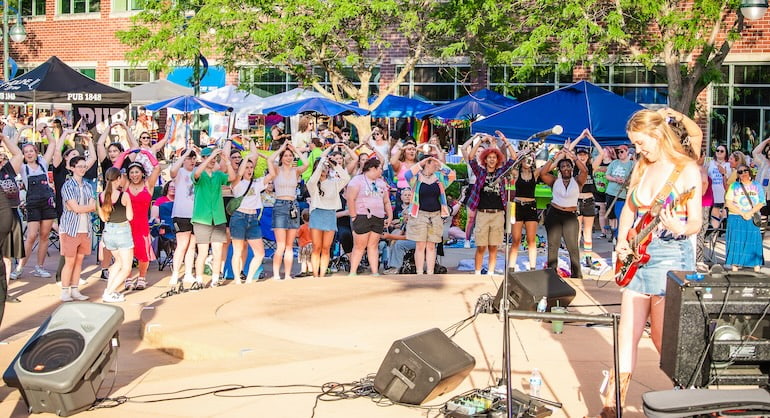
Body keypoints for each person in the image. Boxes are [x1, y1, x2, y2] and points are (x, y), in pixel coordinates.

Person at [593, 109, 702, 417]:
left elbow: (695, 221)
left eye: (641, 143)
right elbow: (629, 209)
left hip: (670, 254)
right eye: (634, 144)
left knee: (662, 336)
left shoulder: (685, 169)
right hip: (638, 255)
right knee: (627, 330)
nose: (638, 150)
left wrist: (680, 227)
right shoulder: (642, 165)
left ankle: (691, 393)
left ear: (657, 135)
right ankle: (612, 403)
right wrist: (621, 244)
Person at [466, 134, 515, 275]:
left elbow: (513, 158)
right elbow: (470, 157)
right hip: (482, 213)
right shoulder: (480, 172)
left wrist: (505, 141)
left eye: (494, 157)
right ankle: (477, 272)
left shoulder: (502, 172)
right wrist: (481, 140)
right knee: (481, 246)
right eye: (489, 157)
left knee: (493, 246)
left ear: (497, 159)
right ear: (485, 159)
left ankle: (491, 273)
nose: (492, 159)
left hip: (498, 214)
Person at [229, 144, 275, 283]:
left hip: (253, 217)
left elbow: (272, 175)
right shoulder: (237, 183)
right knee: (237, 250)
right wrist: (247, 157)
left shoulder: (257, 182)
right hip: (239, 217)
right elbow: (238, 174)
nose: (249, 170)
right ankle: (237, 278)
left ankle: (249, 278)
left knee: (259, 253)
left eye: (251, 167)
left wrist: (268, 160)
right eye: (247, 167)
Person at [13, 138, 58, 279]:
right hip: (32, 203)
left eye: (31, 151)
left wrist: (45, 129)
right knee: (31, 236)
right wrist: (19, 133)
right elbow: (14, 151)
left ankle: (40, 266)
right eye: (26, 152)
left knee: (44, 235)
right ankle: (19, 268)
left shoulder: (44, 164)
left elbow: (52, 144)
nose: (29, 154)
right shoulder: (22, 168)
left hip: (47, 203)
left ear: (36, 152)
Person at [539, 148, 587, 279]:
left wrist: (574, 157)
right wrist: (555, 158)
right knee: (553, 247)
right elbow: (543, 173)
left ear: (572, 168)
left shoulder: (578, 181)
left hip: (570, 216)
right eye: (562, 166)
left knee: (573, 248)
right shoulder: (555, 181)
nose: (565, 168)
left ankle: (577, 276)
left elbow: (584, 170)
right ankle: (551, 275)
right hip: (554, 214)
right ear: (559, 169)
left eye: (568, 166)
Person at [404, 155, 456, 275]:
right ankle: (419, 273)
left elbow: (452, 175)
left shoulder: (438, 178)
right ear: (427, 163)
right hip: (420, 214)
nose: (435, 165)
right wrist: (421, 163)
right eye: (432, 163)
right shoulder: (416, 178)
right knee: (420, 245)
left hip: (436, 215)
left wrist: (439, 163)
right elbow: (407, 175)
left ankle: (430, 272)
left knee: (432, 245)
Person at [192, 146, 236, 287]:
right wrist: (210, 158)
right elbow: (197, 174)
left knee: (217, 251)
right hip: (202, 218)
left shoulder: (218, 175)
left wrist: (226, 161)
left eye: (213, 158)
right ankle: (199, 280)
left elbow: (232, 178)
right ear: (203, 158)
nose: (212, 161)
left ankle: (215, 279)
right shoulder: (198, 173)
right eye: (208, 157)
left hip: (218, 217)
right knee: (203, 251)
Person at [307, 145, 351, 278]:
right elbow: (312, 179)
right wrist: (321, 162)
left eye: (326, 168)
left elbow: (346, 178)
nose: (324, 170)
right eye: (322, 168)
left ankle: (322, 275)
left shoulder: (334, 183)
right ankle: (315, 275)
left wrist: (334, 164)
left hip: (330, 215)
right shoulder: (312, 184)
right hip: (317, 214)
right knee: (316, 247)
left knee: (326, 248)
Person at [59, 156, 96, 302]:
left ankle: (75, 289)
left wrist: (84, 208)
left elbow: (90, 206)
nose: (82, 169)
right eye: (79, 166)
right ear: (72, 168)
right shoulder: (68, 186)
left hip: (85, 228)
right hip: (70, 228)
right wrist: (87, 208)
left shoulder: (87, 186)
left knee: (79, 261)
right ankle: (64, 290)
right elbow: (76, 208)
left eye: (84, 166)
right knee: (69, 261)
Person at [347, 158, 392, 275]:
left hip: (378, 216)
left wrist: (390, 216)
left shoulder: (381, 183)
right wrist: (353, 216)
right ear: (372, 168)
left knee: (373, 245)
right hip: (362, 215)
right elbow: (350, 199)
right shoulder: (357, 181)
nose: (382, 171)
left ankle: (375, 271)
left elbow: (386, 201)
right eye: (380, 168)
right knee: (359, 246)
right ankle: (353, 272)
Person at [269, 142, 307, 280]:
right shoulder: (276, 169)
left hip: (293, 205)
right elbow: (269, 159)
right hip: (280, 204)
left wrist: (295, 149)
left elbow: (306, 163)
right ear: (281, 157)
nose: (288, 158)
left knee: (290, 245)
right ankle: (276, 274)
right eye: (286, 155)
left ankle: (287, 274)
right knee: (281, 245)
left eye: (290, 156)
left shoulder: (296, 171)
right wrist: (281, 148)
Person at [569, 129, 605, 267]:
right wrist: (579, 137)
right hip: (577, 201)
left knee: (588, 230)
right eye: (580, 154)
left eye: (584, 154)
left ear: (588, 156)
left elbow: (601, 153)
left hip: (589, 201)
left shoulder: (591, 166)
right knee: (577, 230)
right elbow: (568, 150)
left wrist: (590, 137)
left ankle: (588, 257)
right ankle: (576, 258)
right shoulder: (574, 167)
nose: (582, 156)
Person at [97, 167, 133, 303]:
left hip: (109, 232)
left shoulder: (100, 196)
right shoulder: (124, 195)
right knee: (126, 267)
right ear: (118, 179)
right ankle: (110, 291)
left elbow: (103, 218)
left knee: (118, 262)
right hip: (122, 231)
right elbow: (130, 216)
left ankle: (109, 291)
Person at [724, 164, 765, 272]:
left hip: (752, 217)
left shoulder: (757, 185)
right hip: (736, 216)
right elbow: (728, 203)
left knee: (754, 242)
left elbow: (762, 202)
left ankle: (756, 267)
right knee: (736, 242)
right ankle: (734, 268)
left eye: (745, 171)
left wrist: (750, 212)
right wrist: (742, 213)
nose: (743, 174)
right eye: (740, 172)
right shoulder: (734, 186)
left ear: (749, 172)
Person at [168, 148, 198, 286]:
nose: (192, 161)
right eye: (189, 158)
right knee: (182, 245)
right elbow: (172, 171)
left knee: (192, 246)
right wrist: (184, 154)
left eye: (193, 158)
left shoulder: (197, 172)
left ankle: (188, 273)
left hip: (196, 214)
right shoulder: (180, 172)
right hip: (181, 214)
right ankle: (175, 274)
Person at [0, 136, 24, 302]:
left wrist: (3, 138)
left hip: (11, 217)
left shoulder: (7, 171)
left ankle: (4, 292)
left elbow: (19, 155)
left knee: (7, 259)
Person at [508, 155, 541, 271]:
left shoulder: (535, 173)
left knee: (531, 240)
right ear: (521, 160)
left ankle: (532, 268)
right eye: (526, 159)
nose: (528, 161)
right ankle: (511, 267)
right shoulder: (516, 173)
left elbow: (549, 166)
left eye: (530, 159)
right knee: (516, 239)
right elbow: (508, 164)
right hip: (517, 206)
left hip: (531, 206)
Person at [604, 144, 634, 238]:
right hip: (611, 191)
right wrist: (615, 179)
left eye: (621, 151)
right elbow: (607, 175)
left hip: (622, 193)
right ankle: (613, 232)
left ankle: (620, 232)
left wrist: (626, 182)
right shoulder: (614, 163)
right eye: (618, 152)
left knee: (621, 214)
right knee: (611, 214)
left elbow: (634, 177)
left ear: (627, 152)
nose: (619, 154)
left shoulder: (631, 164)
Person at [707, 144, 731, 228]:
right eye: (717, 150)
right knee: (714, 216)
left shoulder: (728, 165)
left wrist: (724, 172)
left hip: (723, 193)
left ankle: (722, 230)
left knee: (724, 215)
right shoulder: (710, 163)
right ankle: (714, 233)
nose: (719, 152)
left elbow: (730, 179)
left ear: (725, 153)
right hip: (712, 193)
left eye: (722, 151)